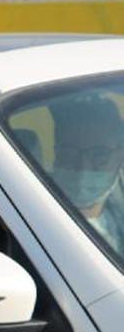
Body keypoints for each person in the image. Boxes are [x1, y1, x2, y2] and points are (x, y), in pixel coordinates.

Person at [49, 94, 124, 252]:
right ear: (56, 153)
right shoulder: (31, 215)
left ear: (120, 156)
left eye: (99, 154)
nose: (83, 167)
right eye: (70, 153)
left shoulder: (118, 205)